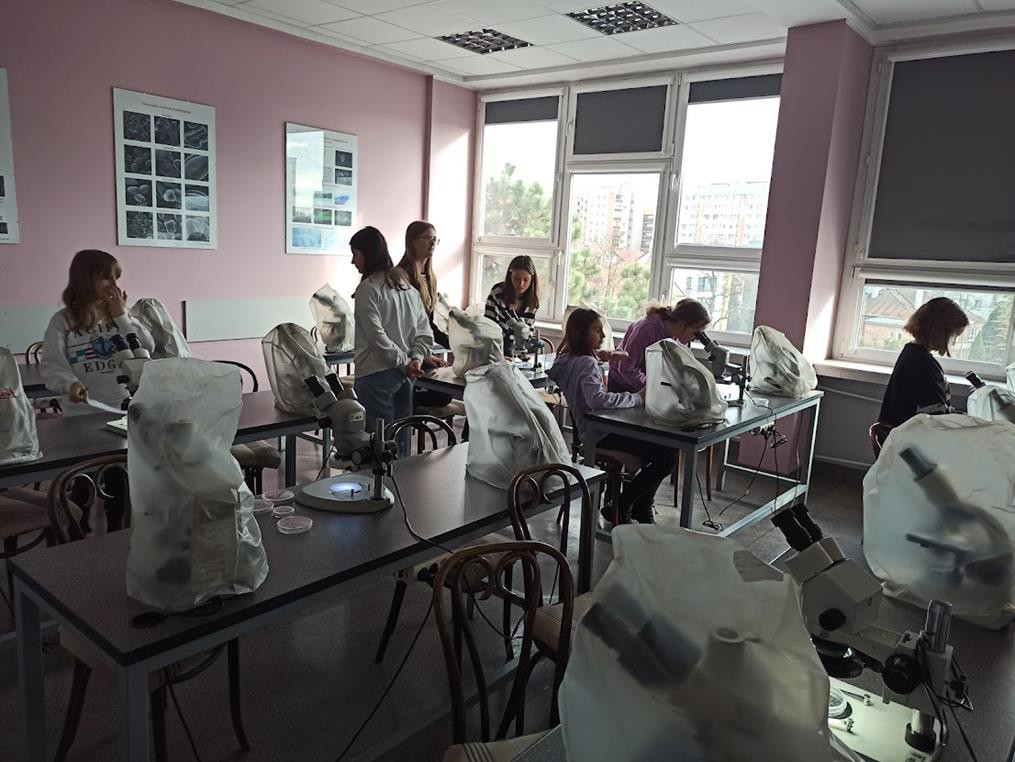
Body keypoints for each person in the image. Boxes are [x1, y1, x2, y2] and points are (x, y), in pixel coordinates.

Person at [548, 308, 676, 525]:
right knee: (667, 456)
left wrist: (602, 357)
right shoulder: (587, 363)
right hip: (600, 434)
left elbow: (579, 372)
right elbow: (597, 400)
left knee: (663, 452)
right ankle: (624, 505)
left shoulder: (567, 359)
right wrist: (637, 398)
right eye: (597, 330)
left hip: (589, 431)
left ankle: (636, 506)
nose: (603, 335)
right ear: (580, 333)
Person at [41, 249, 155, 416]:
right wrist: (70, 384)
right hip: (83, 411)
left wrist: (122, 316)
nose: (114, 285)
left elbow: (147, 347)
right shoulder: (63, 320)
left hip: (125, 406)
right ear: (85, 281)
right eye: (106, 278)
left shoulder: (121, 315)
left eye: (116, 278)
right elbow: (53, 365)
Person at [350, 226, 433, 449]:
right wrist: (415, 360)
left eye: (355, 254)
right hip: (405, 378)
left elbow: (377, 338)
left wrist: (407, 363)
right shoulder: (407, 287)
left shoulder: (368, 289)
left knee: (378, 449)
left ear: (367, 254)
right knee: (400, 447)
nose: (353, 261)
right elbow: (425, 333)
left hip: (375, 377)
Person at [879, 297, 969, 428]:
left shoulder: (912, 353)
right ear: (941, 332)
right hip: (911, 436)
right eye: (954, 335)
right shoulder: (923, 365)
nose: (953, 342)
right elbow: (935, 418)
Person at [609, 299, 711, 393]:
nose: (695, 339)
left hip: (649, 385)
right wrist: (654, 389)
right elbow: (626, 368)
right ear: (681, 324)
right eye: (696, 333)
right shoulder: (646, 329)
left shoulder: (679, 337)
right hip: (623, 385)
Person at [484, 255, 539, 357]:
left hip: (516, 355)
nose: (521, 284)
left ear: (532, 279)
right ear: (510, 277)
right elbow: (488, 325)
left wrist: (525, 354)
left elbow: (527, 333)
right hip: (494, 350)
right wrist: (499, 355)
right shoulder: (498, 292)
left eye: (526, 280)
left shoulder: (532, 303)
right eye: (517, 279)